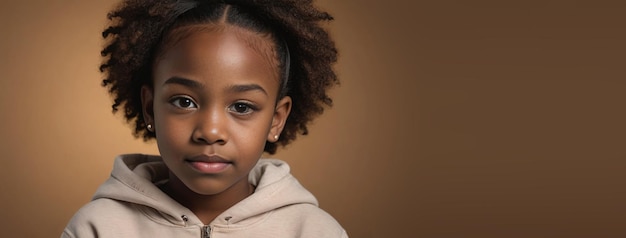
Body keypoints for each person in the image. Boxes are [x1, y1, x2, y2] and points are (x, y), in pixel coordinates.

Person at [62, 0, 346, 237]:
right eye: (184, 102)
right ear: (150, 108)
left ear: (276, 120)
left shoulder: (312, 231)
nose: (210, 131)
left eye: (242, 107)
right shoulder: (96, 228)